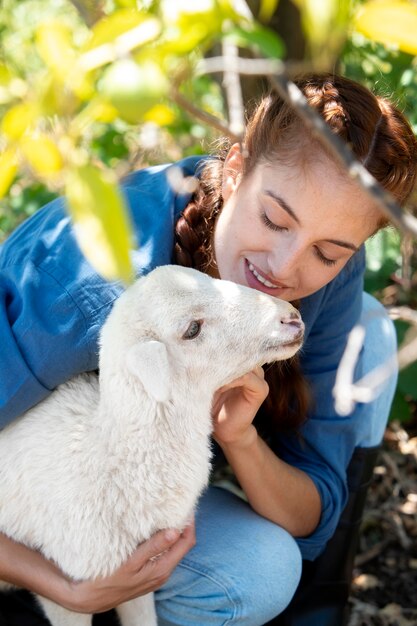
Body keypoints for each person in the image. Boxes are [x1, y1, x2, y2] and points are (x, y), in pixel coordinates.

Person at [0, 72, 416, 626]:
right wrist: (61, 585)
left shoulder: (330, 282)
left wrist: (238, 434)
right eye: (274, 219)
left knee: (260, 568)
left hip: (129, 501)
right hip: (26, 513)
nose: (285, 267)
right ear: (237, 168)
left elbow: (311, 512)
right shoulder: (90, 285)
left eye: (328, 252)